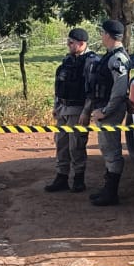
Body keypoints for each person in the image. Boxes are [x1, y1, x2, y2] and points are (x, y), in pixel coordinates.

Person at [45, 28, 99, 192]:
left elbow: (92, 91)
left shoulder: (91, 62)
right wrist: (56, 106)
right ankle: (61, 177)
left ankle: (78, 179)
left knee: (76, 145)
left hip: (78, 110)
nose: (68, 45)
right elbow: (59, 85)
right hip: (63, 107)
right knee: (61, 143)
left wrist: (86, 112)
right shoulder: (67, 61)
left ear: (81, 44)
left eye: (71, 43)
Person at [88, 18, 132, 206]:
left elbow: (119, 90)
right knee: (106, 148)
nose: (101, 36)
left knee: (111, 150)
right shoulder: (111, 56)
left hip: (110, 111)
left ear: (108, 35)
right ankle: (107, 189)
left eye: (102, 33)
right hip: (105, 110)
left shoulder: (117, 58)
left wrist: (105, 111)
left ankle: (111, 193)